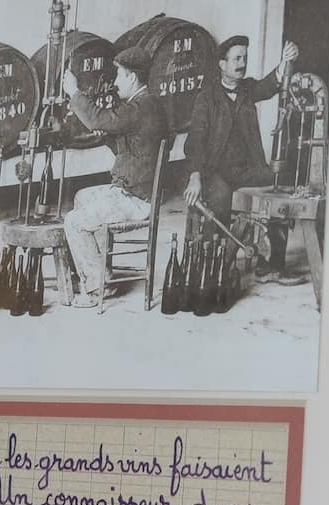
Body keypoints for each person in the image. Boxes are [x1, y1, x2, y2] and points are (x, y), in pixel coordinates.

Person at [183, 36, 302, 283]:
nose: (242, 63)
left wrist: (285, 62)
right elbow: (195, 141)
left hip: (247, 169)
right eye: (236, 58)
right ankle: (215, 266)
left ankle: (272, 266)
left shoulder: (247, 89)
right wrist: (195, 177)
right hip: (215, 172)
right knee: (221, 196)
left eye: (245, 58)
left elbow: (269, 85)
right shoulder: (206, 98)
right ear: (222, 64)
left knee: (280, 185)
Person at [61, 46, 168, 308]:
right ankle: (100, 272)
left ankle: (98, 287)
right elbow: (133, 149)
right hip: (133, 190)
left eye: (119, 75)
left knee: (73, 222)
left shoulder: (140, 106)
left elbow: (98, 117)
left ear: (132, 77)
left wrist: (74, 92)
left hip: (135, 198)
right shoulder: (148, 105)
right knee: (81, 197)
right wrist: (109, 135)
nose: (115, 82)